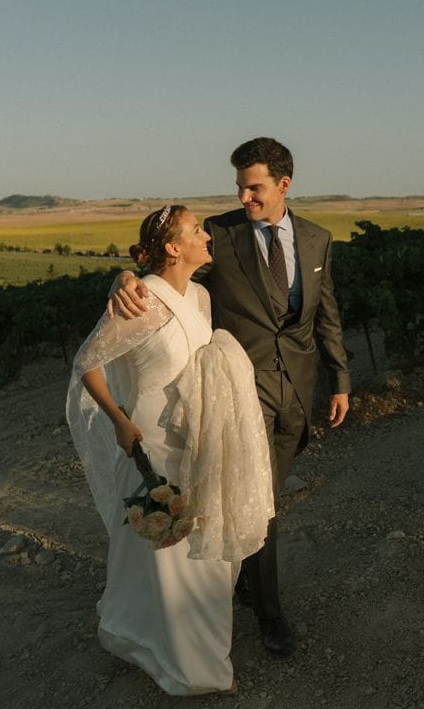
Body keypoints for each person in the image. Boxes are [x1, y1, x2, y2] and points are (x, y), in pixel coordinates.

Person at [108, 138, 351, 659]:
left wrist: (341, 380)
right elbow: (161, 265)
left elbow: (326, 313)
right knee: (260, 506)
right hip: (239, 396)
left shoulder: (317, 238)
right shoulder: (219, 233)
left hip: (297, 394)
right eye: (240, 186)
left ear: (284, 185)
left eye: (255, 187)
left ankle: (242, 582)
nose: (244, 197)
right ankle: (270, 614)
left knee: (265, 502)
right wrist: (122, 277)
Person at [67, 205, 274, 695]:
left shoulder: (200, 297)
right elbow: (88, 362)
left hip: (200, 439)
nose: (207, 236)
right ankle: (193, 668)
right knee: (167, 554)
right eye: (197, 230)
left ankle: (133, 628)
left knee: (192, 547)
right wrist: (118, 421)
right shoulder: (142, 302)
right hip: (151, 443)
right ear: (174, 248)